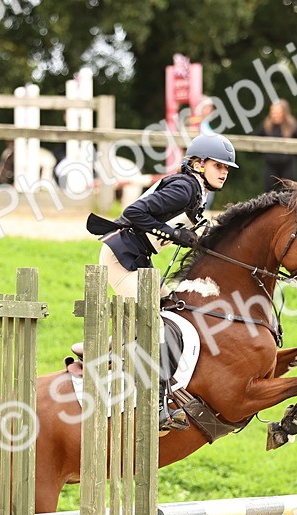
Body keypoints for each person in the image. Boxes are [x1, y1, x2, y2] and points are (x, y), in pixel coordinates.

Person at [87, 132, 238, 430]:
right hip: (122, 258)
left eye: (226, 168)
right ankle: (156, 406)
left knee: (172, 308)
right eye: (218, 166)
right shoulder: (184, 188)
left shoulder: (196, 191)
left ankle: (102, 349)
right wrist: (175, 235)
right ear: (197, 163)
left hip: (139, 260)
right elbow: (133, 212)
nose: (223, 172)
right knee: (154, 324)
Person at [258, 99, 297, 192]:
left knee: (288, 193)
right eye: (273, 112)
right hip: (270, 166)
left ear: (284, 113)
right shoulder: (266, 126)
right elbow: (254, 141)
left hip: (288, 165)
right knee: (268, 194)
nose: (274, 115)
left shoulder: (293, 126)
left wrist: (294, 154)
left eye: (278, 112)